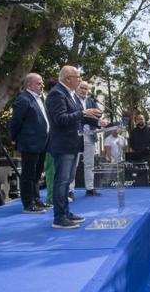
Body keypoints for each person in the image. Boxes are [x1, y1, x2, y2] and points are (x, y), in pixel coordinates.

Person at [45, 65, 102, 228]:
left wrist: (98, 122)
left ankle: (66, 212)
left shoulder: (70, 94)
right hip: (62, 145)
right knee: (61, 182)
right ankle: (59, 217)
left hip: (72, 144)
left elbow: (79, 118)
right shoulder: (57, 93)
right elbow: (61, 119)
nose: (80, 79)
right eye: (78, 76)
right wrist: (83, 113)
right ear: (68, 78)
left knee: (67, 180)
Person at [9, 73, 50, 213]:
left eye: (42, 83)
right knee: (28, 174)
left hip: (42, 143)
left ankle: (37, 200)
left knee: (37, 174)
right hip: (29, 142)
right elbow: (16, 121)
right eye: (39, 83)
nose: (42, 85)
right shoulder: (23, 99)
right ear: (29, 85)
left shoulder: (39, 98)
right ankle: (28, 204)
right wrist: (14, 138)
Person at [73, 82, 102, 197]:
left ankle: (90, 188)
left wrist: (98, 119)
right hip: (76, 135)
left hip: (90, 134)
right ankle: (70, 190)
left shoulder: (91, 101)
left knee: (90, 163)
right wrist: (86, 115)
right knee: (73, 164)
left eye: (86, 88)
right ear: (77, 87)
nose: (83, 90)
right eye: (81, 88)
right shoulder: (72, 99)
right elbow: (74, 115)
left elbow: (99, 113)